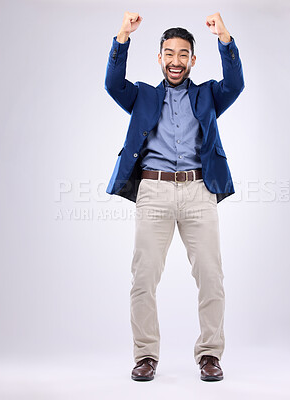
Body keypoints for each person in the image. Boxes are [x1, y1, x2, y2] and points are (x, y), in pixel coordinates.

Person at [104, 11, 244, 381]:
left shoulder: (209, 95)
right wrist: (122, 37)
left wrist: (225, 38)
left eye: (183, 54)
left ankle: (210, 354)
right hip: (154, 190)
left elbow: (236, 83)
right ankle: (146, 356)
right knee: (143, 278)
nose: (176, 61)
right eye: (169, 53)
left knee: (211, 276)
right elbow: (112, 84)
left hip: (200, 190)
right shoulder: (143, 96)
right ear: (161, 57)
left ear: (193, 60)